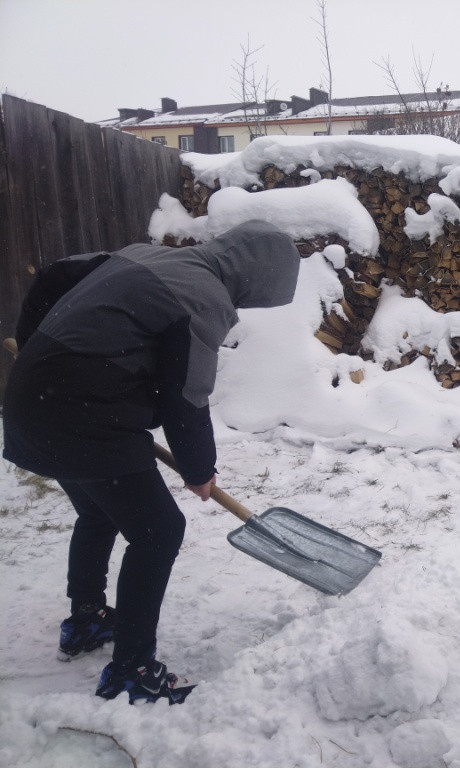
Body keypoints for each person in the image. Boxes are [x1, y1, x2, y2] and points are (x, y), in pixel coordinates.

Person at [2, 220, 300, 703]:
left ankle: (86, 621)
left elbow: (54, 276)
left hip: (34, 402)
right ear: (255, 279)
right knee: (159, 531)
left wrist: (36, 345)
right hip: (84, 417)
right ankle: (132, 671)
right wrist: (200, 470)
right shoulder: (203, 297)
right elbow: (186, 396)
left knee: (97, 512)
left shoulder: (150, 256)